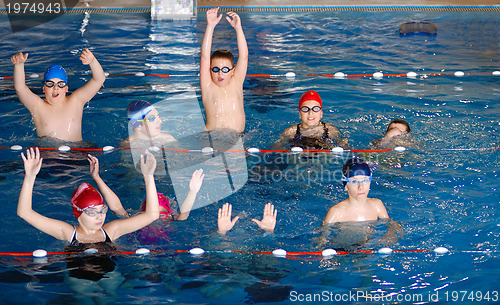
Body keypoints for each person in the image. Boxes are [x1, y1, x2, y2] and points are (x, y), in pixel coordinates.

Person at [17, 147, 160, 247]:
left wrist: (148, 176)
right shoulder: (67, 232)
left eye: (102, 210)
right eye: (92, 212)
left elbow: (152, 215)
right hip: (79, 279)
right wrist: (30, 177)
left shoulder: (111, 230)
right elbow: (24, 213)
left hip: (109, 275)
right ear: (78, 213)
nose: (100, 217)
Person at [10, 49, 105, 142]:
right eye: (50, 84)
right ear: (43, 88)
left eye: (61, 84)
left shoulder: (76, 101)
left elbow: (99, 80)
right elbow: (20, 88)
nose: (56, 88)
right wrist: (19, 65)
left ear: (66, 89)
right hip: (48, 154)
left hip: (77, 153)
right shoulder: (37, 106)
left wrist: (92, 61)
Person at [200, 7, 248, 133]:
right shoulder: (208, 86)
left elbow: (244, 57)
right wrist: (210, 26)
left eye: (225, 69)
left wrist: (238, 29)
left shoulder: (236, 82)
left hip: (237, 138)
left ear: (233, 71)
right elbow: (205, 57)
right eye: (215, 69)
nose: (220, 73)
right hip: (211, 139)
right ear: (210, 71)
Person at [322, 157, 389, 224]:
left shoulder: (377, 205)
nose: (361, 187)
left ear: (370, 182)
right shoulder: (336, 212)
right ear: (346, 186)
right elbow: (322, 233)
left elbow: (392, 226)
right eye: (354, 181)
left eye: (365, 180)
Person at [278, 90, 347, 150]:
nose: (310, 112)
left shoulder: (331, 131)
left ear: (321, 113)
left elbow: (346, 148)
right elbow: (277, 148)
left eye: (315, 109)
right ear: (300, 113)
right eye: (305, 109)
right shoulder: (290, 132)